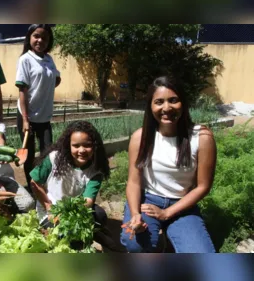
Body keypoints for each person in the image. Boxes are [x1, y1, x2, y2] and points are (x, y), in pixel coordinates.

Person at [120, 76, 217, 253]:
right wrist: (135, 214)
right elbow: (134, 182)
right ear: (151, 106)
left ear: (183, 103)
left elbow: (203, 186)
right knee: (134, 243)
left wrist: (167, 213)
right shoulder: (140, 137)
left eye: (173, 100)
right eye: (159, 102)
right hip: (148, 201)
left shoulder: (202, 137)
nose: (166, 108)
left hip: (183, 205)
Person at [30, 121, 116, 249]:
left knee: (99, 215)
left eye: (87, 145)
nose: (81, 150)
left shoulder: (95, 172)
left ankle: (95, 233)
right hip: (50, 208)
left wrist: (68, 216)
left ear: (95, 146)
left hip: (75, 211)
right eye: (76, 146)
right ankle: (94, 234)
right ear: (68, 145)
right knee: (61, 238)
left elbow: (87, 201)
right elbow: (34, 183)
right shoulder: (54, 158)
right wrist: (49, 207)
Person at [15, 24, 61, 187]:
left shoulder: (49, 59)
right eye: (36, 36)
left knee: (48, 153)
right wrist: (26, 120)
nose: (40, 40)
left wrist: (46, 87)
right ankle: (32, 186)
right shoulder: (25, 59)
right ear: (29, 38)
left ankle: (44, 184)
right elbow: (22, 91)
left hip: (44, 116)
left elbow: (56, 78)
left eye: (44, 37)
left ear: (49, 41)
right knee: (28, 155)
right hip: (27, 116)